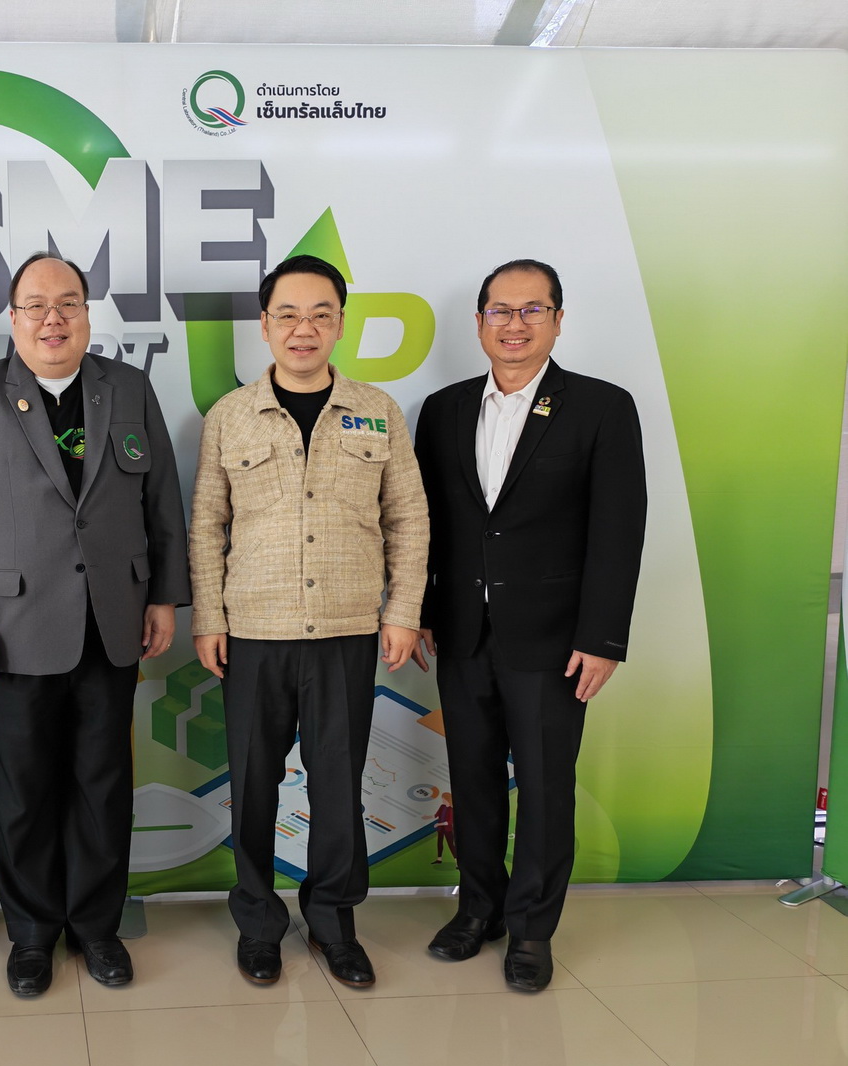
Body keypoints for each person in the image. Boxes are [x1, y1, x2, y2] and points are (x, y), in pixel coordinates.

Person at [0, 252, 189, 996]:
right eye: (37, 306)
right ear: (13, 319)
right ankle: (32, 934)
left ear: (86, 313)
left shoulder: (127, 387)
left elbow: (161, 498)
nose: (54, 318)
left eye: (68, 303)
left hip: (112, 620)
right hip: (12, 628)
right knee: (22, 791)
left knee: (103, 784)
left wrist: (163, 596)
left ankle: (98, 928)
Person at [189, 254, 429, 989]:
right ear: (264, 325)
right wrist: (208, 617)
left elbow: (408, 518)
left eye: (320, 314)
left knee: (337, 786)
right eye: (288, 315)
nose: (304, 329)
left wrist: (403, 612)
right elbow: (206, 524)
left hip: (347, 632)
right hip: (253, 634)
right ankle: (258, 924)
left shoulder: (377, 410)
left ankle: (333, 921)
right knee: (254, 786)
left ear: (340, 324)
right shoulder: (230, 416)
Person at [414, 259, 646, 991]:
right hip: (462, 632)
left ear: (557, 319)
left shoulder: (601, 407)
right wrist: (422, 611)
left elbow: (619, 530)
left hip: (554, 640)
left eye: (532, 310)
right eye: (500, 311)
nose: (514, 325)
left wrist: (602, 638)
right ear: (479, 321)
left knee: (545, 787)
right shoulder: (443, 409)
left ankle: (532, 929)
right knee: (472, 779)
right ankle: (478, 909)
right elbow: (426, 523)